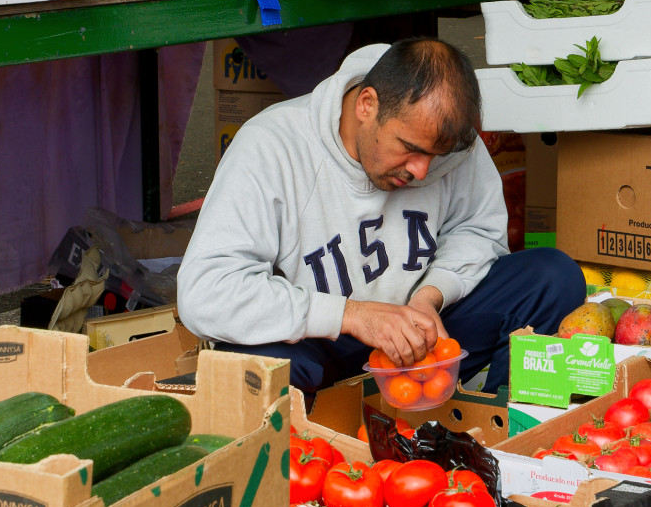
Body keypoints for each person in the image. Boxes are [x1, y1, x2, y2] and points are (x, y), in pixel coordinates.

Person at [176, 38, 586, 395]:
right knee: (256, 363)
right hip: (323, 345)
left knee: (554, 277)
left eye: (435, 155)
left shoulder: (448, 139)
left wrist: (431, 297)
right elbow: (205, 291)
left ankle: (493, 426)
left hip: (423, 339)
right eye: (409, 148)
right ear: (366, 105)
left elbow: (478, 231)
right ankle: (321, 441)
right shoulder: (271, 146)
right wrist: (351, 315)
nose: (422, 170)